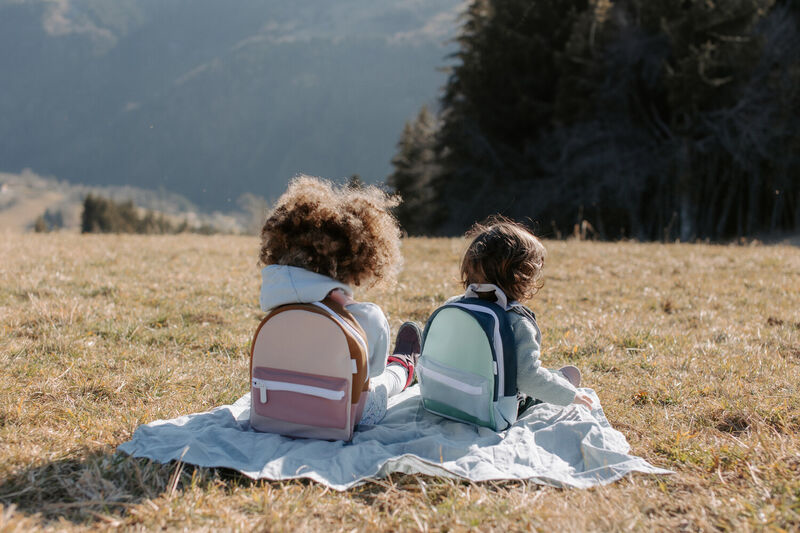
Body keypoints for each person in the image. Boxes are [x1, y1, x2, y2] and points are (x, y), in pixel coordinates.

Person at [258, 175, 421, 426]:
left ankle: (402, 365)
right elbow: (370, 378)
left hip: (277, 409)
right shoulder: (366, 317)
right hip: (345, 419)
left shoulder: (275, 303)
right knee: (386, 381)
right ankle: (404, 366)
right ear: (357, 260)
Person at [447, 217, 594, 411]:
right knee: (565, 376)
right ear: (522, 279)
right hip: (489, 408)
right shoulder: (516, 323)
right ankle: (561, 380)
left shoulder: (453, 306)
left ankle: (559, 378)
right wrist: (570, 395)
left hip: (449, 397)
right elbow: (528, 378)